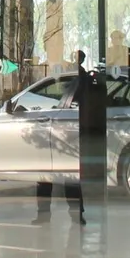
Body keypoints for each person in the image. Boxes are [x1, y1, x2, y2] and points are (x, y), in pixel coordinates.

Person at [37, 49, 95, 225]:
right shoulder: (76, 76)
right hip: (66, 127)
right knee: (63, 175)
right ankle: (73, 214)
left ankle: (50, 214)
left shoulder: (76, 77)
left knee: (54, 174)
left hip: (66, 127)